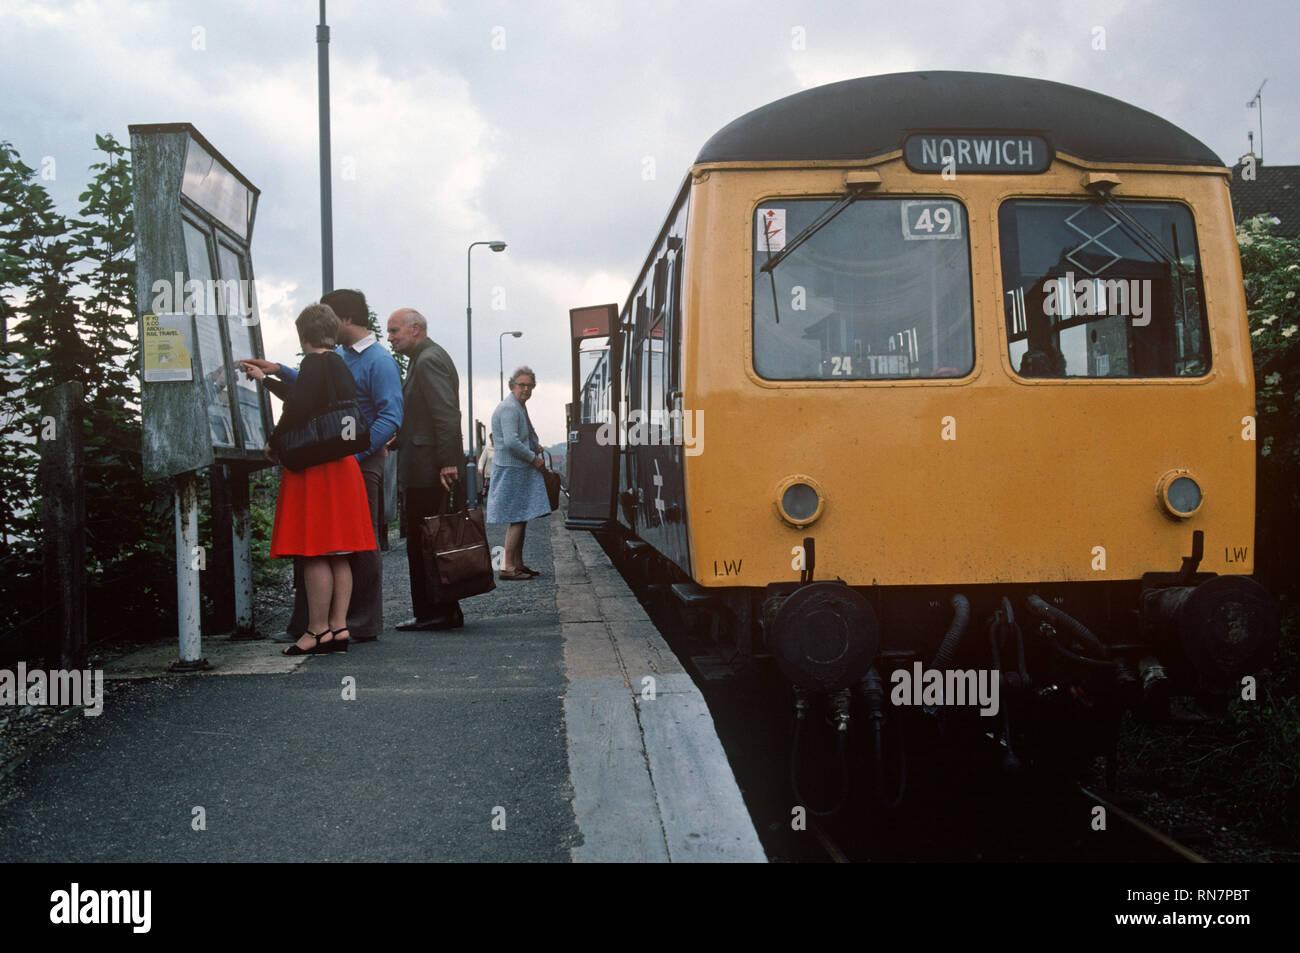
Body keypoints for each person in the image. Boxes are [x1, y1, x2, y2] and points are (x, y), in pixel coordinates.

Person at [242, 289, 403, 644]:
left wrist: (350, 451)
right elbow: (318, 393)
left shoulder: (377, 360)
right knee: (344, 547)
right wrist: (277, 372)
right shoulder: (341, 360)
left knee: (332, 546)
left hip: (347, 459)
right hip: (340, 458)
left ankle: (350, 623)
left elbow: (390, 416)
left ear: (343, 319)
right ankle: (336, 623)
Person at [386, 308, 466, 631]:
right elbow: (423, 416)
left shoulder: (429, 359)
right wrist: (400, 438)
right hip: (426, 466)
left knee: (426, 542)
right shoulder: (425, 358)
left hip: (428, 471)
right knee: (430, 541)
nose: (390, 338)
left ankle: (436, 613)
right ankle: (438, 611)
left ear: (415, 328)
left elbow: (446, 414)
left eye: (394, 331)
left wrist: (447, 462)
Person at [486, 366, 550, 580]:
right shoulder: (510, 408)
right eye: (522, 385)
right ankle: (507, 568)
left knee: (521, 517)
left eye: (529, 385)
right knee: (516, 517)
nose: (526, 389)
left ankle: (517, 564)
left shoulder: (518, 406)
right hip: (512, 468)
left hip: (517, 468)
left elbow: (520, 436)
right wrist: (534, 459)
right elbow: (512, 442)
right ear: (512, 386)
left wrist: (535, 445)